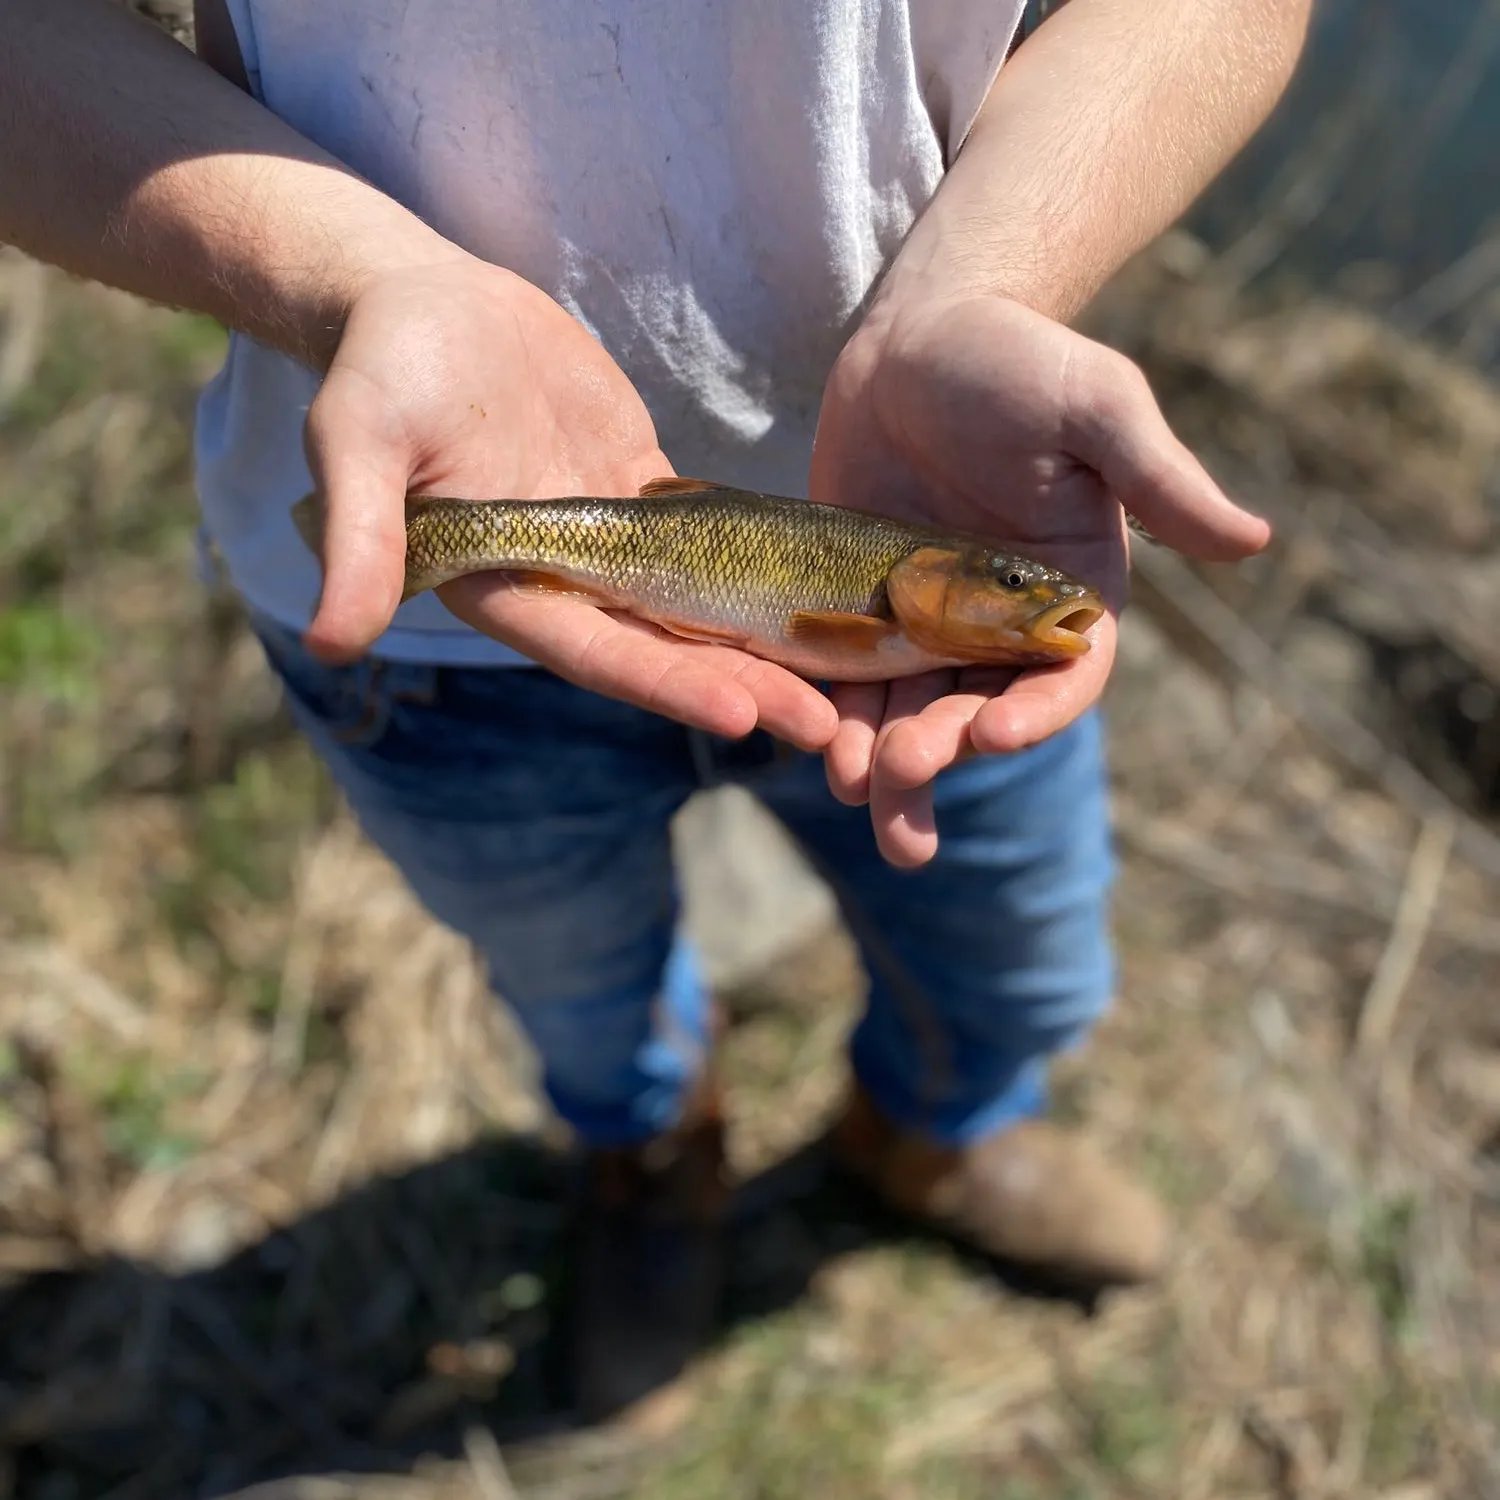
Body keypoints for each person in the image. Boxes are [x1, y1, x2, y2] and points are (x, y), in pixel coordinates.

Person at [3, 0, 1310, 1423]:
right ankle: (653, 1158)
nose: (1023, 598)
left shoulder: (945, 614)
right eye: (1000, 591)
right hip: (439, 643)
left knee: (1025, 959)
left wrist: (987, 277)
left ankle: (932, 1132)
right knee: (581, 1000)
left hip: (939, 529)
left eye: (1008, 591)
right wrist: (353, 275)